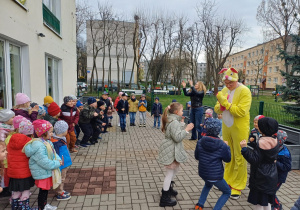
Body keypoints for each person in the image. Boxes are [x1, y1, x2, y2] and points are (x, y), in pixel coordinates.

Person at [214, 67, 252, 199]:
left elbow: (241, 112)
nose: (228, 85)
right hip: (227, 126)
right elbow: (217, 108)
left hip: (239, 128)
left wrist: (226, 103)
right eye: (226, 83)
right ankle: (227, 181)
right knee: (228, 154)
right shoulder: (225, 90)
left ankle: (238, 185)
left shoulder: (245, 91)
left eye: (230, 83)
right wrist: (220, 106)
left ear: (236, 80)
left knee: (239, 156)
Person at [157, 102, 194, 207]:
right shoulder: (174, 122)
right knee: (169, 173)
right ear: (177, 112)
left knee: (175, 170)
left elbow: (174, 130)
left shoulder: (171, 119)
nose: (183, 112)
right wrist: (186, 130)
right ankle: (164, 198)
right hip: (171, 149)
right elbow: (177, 137)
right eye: (182, 110)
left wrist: (182, 124)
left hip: (172, 148)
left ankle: (168, 188)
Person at [241, 117, 279, 210]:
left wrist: (244, 149)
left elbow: (254, 160)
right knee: (266, 201)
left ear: (263, 129)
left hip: (260, 177)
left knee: (258, 203)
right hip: (271, 175)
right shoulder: (275, 140)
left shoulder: (262, 142)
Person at [24, 120, 61, 210]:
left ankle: (44, 205)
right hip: (42, 172)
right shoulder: (39, 145)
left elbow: (53, 153)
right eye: (51, 132)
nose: (52, 134)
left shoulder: (46, 142)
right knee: (43, 191)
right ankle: (42, 207)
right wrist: (56, 163)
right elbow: (44, 162)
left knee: (45, 191)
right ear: (43, 133)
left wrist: (58, 159)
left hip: (45, 171)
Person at [194, 118, 231, 210]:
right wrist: (227, 147)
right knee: (227, 192)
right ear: (218, 130)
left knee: (208, 184)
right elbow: (227, 159)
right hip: (215, 175)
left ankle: (200, 204)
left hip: (203, 173)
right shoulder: (222, 145)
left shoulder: (200, 141)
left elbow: (197, 157)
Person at [7, 120, 35, 209]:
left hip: (13, 173)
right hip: (25, 172)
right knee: (25, 190)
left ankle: (15, 207)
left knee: (15, 191)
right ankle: (25, 207)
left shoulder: (11, 140)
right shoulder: (29, 142)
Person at [51, 120, 72, 201]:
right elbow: (55, 155)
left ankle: (60, 190)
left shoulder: (60, 139)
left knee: (62, 177)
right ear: (63, 131)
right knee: (61, 178)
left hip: (64, 162)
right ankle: (59, 193)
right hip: (61, 164)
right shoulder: (57, 142)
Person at [272, 130, 291, 210]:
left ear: (280, 140)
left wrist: (276, 162)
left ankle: (277, 206)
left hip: (279, 177)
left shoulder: (284, 153)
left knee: (271, 192)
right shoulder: (276, 147)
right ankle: (271, 205)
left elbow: (287, 167)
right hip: (273, 175)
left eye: (275, 138)